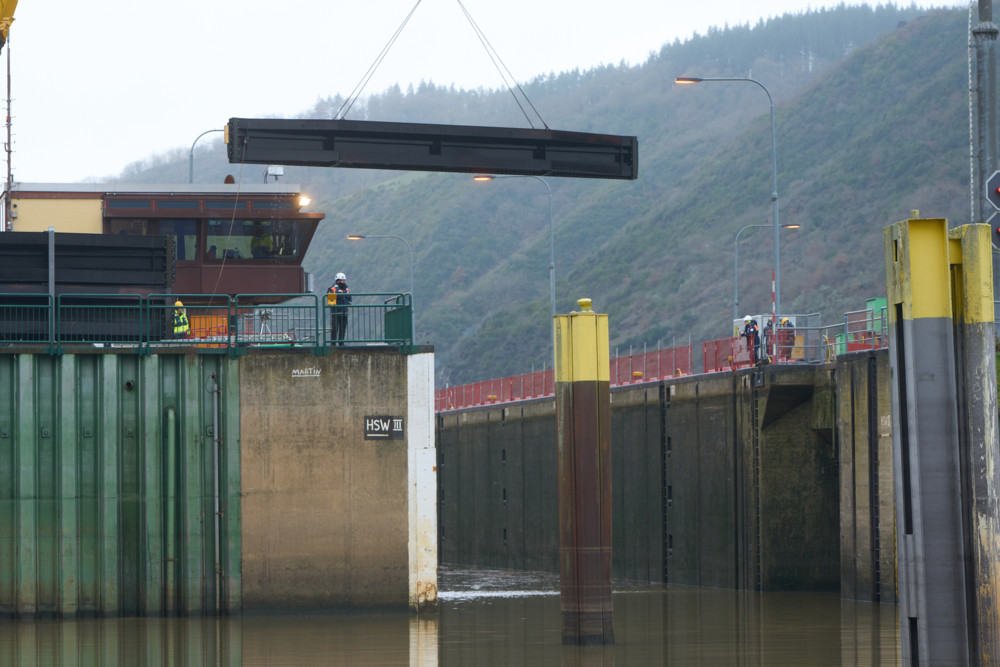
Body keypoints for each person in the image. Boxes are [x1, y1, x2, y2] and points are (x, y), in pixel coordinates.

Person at [328, 272, 352, 345]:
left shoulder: (346, 289)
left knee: (343, 328)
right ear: (338, 281)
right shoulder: (332, 289)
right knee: (335, 329)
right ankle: (333, 344)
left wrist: (349, 305)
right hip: (336, 312)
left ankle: (341, 343)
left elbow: (349, 298)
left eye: (344, 280)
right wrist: (337, 294)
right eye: (343, 280)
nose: (344, 282)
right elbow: (330, 300)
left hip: (344, 312)